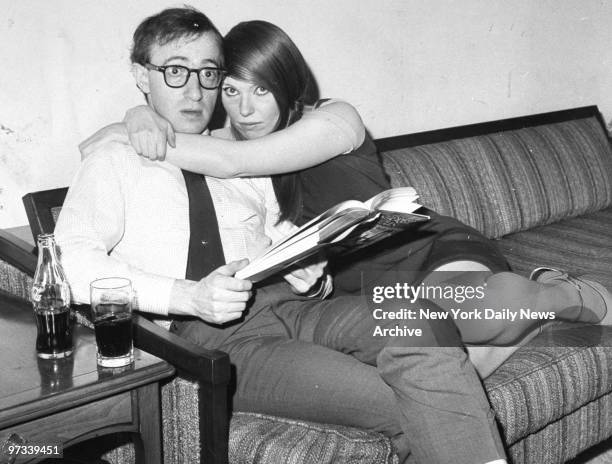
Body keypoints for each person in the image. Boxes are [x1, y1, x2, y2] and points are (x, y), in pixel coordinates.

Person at [59, 7, 509, 464]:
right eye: (176, 72)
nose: (196, 91)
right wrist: (188, 296)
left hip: (294, 306)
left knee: (422, 326)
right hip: (215, 341)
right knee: (406, 402)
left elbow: (282, 234)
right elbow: (69, 264)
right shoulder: (113, 161)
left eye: (209, 74)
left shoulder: (233, 154)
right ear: (141, 75)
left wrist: (312, 274)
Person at [97, 20, 612, 374]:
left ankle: (561, 295)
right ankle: (526, 311)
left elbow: (235, 162)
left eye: (260, 89)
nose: (246, 109)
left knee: (470, 319)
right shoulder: (218, 145)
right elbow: (99, 145)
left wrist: (137, 124)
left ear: (286, 81)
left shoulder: (335, 117)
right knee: (455, 364)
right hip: (355, 290)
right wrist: (137, 114)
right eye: (230, 91)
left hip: (429, 253)